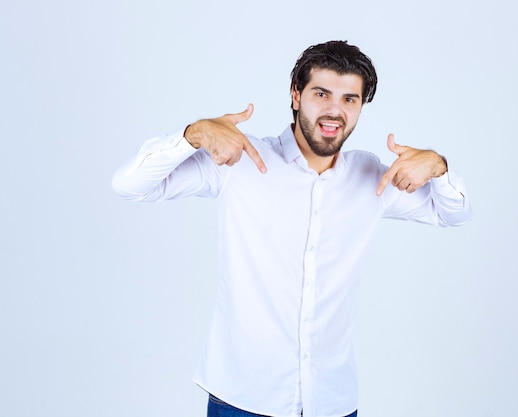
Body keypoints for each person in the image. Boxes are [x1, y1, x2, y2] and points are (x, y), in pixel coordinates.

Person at [112, 40, 472, 417]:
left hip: (333, 403)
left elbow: (454, 213)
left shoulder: (372, 178)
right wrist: (193, 135)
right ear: (296, 95)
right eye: (322, 93)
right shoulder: (240, 159)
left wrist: (438, 166)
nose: (335, 110)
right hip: (244, 399)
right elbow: (130, 185)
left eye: (350, 99)